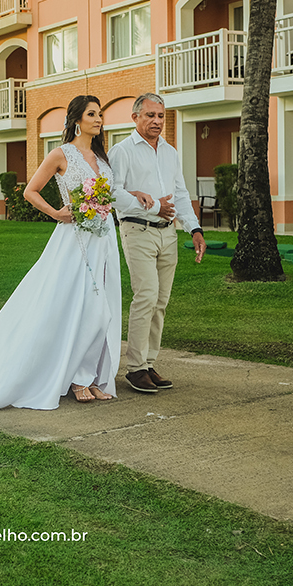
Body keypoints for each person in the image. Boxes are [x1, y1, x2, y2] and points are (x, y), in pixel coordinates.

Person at [0, 95, 122, 411]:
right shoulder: (62, 154)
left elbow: (111, 194)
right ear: (77, 120)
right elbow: (29, 191)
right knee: (84, 307)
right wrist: (57, 213)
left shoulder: (102, 159)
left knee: (102, 309)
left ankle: (90, 375)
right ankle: (77, 377)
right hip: (74, 240)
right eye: (92, 114)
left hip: (103, 239)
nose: (99, 119)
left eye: (100, 114)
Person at [109, 93, 206, 394]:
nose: (156, 121)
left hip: (169, 234)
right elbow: (113, 193)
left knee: (160, 302)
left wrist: (195, 228)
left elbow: (179, 194)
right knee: (146, 296)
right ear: (135, 117)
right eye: (150, 115)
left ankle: (148, 363)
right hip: (137, 230)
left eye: (160, 116)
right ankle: (135, 368)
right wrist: (152, 208)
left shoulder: (169, 152)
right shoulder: (121, 151)